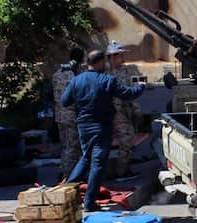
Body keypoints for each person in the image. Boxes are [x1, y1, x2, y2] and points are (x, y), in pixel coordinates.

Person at [61, 48, 145, 212]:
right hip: (101, 127)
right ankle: (89, 203)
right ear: (100, 62)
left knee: (86, 158)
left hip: (83, 127)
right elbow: (127, 94)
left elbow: (65, 101)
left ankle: (66, 193)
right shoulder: (107, 80)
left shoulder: (77, 80)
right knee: (97, 165)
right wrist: (141, 86)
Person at [106, 41, 142, 178]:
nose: (123, 58)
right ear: (113, 56)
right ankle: (120, 172)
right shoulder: (104, 71)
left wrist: (136, 109)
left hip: (123, 112)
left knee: (127, 139)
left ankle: (123, 169)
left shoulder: (123, 70)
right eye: (121, 55)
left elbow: (129, 91)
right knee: (125, 139)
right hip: (111, 112)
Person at [51, 46, 84, 180]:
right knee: (73, 148)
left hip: (59, 116)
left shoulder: (57, 73)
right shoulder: (76, 74)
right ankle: (68, 175)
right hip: (71, 117)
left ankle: (64, 171)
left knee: (65, 146)